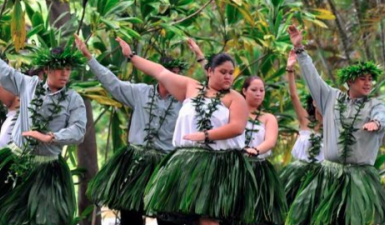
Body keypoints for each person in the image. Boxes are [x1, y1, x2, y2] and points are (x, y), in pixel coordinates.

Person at [106, 36, 257, 225]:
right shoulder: (191, 87)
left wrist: (205, 135)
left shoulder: (235, 98)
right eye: (223, 72)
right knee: (176, 217)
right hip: (186, 162)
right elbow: (160, 71)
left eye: (231, 73)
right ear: (209, 71)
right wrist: (131, 56)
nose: (228, 76)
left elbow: (236, 127)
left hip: (219, 164)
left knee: (208, 219)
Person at [74, 34, 184, 225]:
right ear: (160, 74)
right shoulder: (141, 92)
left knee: (168, 216)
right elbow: (113, 84)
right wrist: (89, 58)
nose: (174, 79)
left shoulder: (184, 102)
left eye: (177, 74)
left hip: (165, 164)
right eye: (171, 73)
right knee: (130, 213)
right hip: (137, 162)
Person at [286, 25, 385, 225]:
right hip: (329, 175)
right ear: (350, 81)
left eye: (370, 80)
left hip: (360, 177)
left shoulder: (376, 104)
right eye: (362, 79)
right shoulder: (331, 98)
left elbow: (382, 115)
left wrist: (376, 123)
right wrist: (300, 49)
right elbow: (313, 78)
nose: (368, 83)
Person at [0, 46, 87, 225]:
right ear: (47, 69)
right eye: (59, 68)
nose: (64, 74)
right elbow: (3, 70)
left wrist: (51, 137)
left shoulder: (73, 99)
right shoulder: (28, 84)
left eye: (68, 69)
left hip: (48, 171)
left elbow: (78, 131)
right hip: (16, 162)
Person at [240, 76, 287, 225]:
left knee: (257, 214)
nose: (258, 93)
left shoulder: (268, 118)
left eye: (262, 90)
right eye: (254, 90)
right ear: (244, 91)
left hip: (259, 169)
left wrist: (254, 150)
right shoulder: (233, 112)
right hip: (235, 165)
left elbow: (270, 141)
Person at [279, 50, 323, 206]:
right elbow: (293, 96)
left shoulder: (334, 128)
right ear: (314, 103)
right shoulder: (305, 121)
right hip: (297, 176)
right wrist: (290, 69)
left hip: (321, 179)